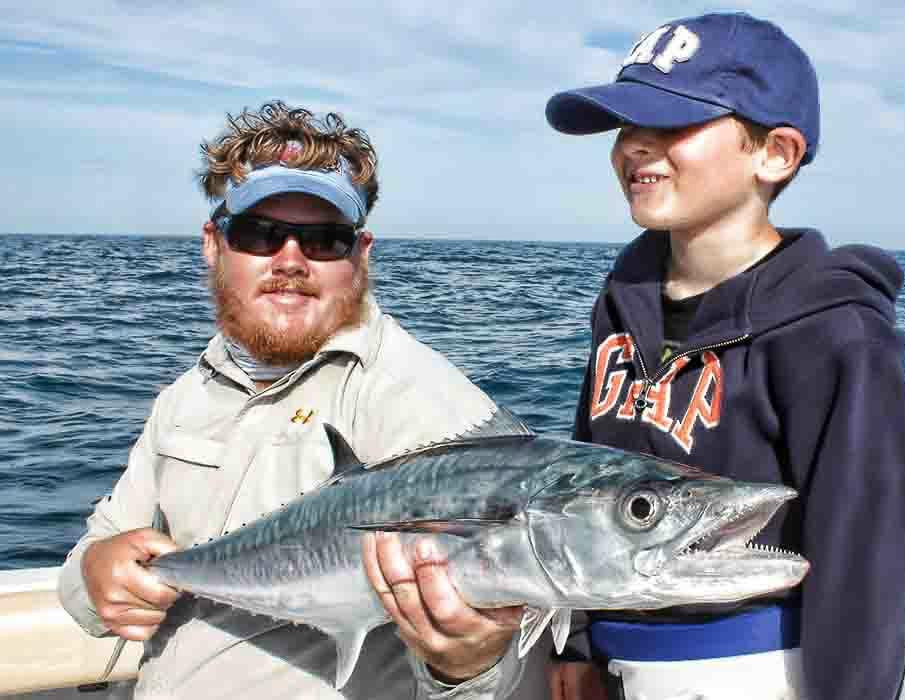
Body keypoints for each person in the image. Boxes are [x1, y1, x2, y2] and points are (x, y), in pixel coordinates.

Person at [58, 101, 546, 700]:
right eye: (260, 234)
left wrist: (469, 665)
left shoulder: (424, 404)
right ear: (214, 243)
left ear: (360, 255)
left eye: (324, 241)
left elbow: (511, 664)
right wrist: (95, 571)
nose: (290, 260)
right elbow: (97, 552)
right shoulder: (188, 393)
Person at [543, 12, 905, 700]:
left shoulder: (837, 330)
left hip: (756, 671)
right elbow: (583, 480)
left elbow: (866, 558)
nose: (635, 147)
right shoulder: (621, 301)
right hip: (619, 662)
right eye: (625, 127)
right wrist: (579, 635)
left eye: (671, 124)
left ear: (775, 152)